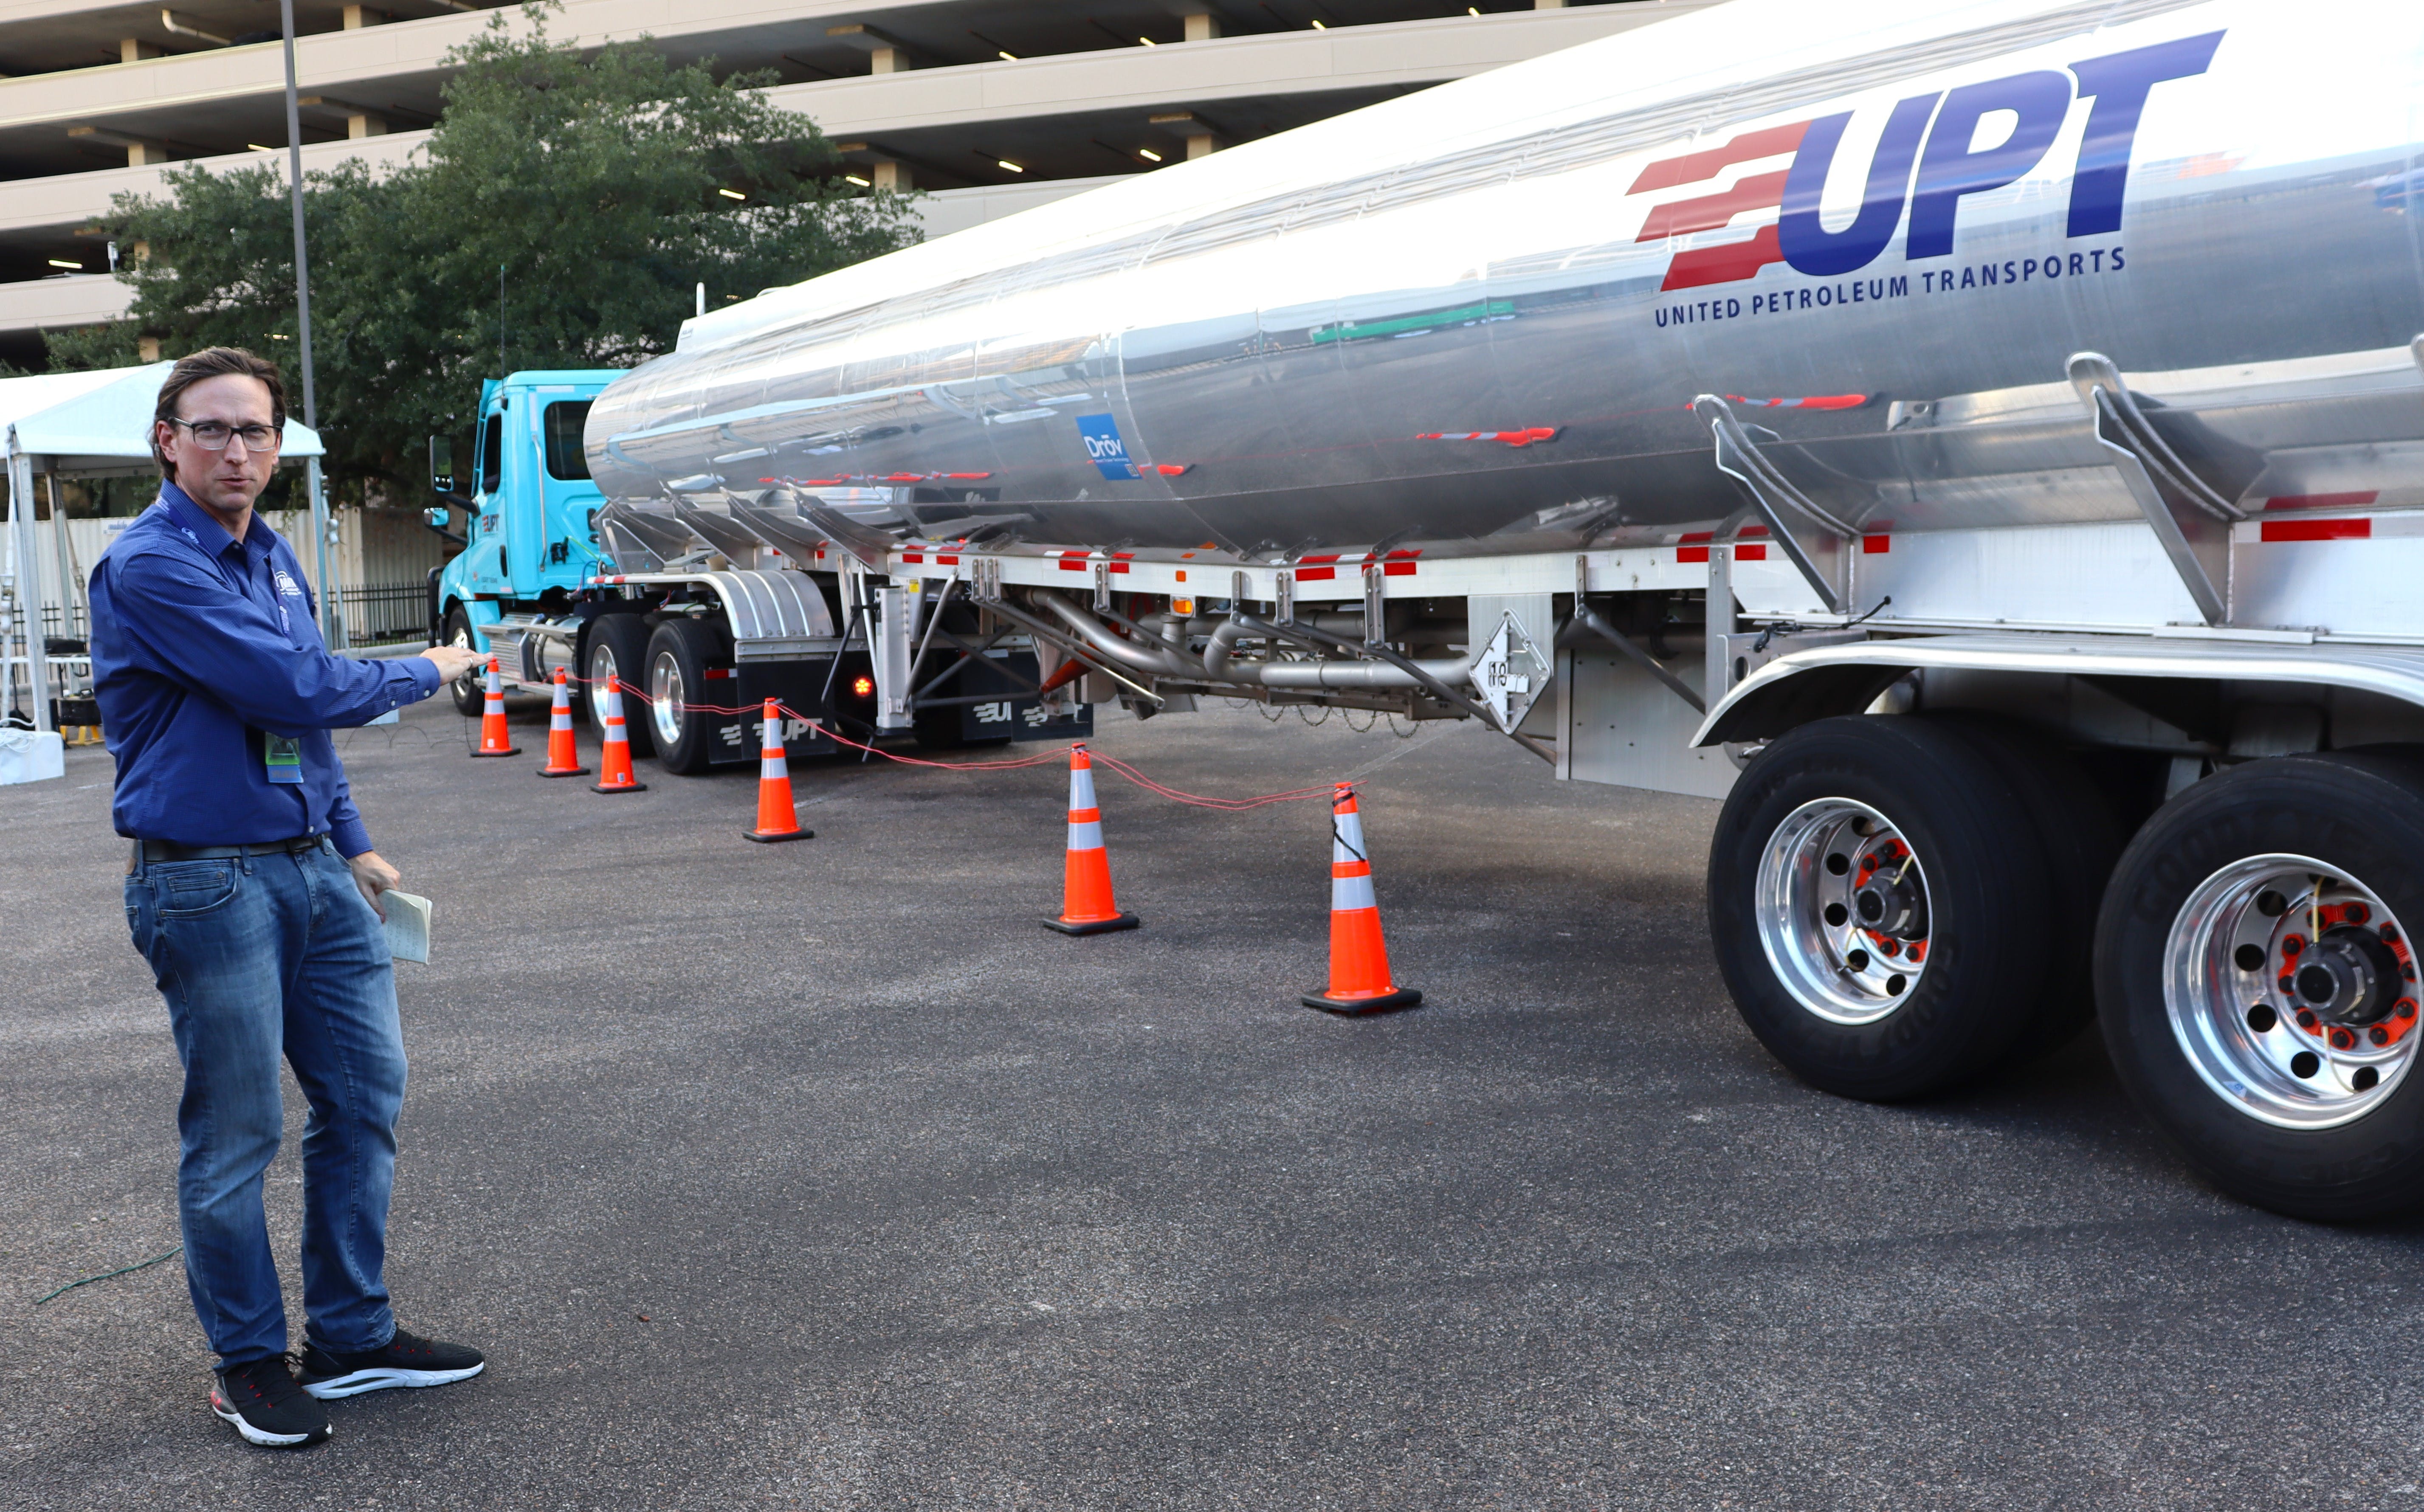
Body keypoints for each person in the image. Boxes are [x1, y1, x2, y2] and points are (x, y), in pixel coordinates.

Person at [88, 348, 489, 1449]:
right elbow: (300, 686)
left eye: (256, 430)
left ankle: (353, 1336)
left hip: (310, 864)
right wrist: (428, 666)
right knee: (237, 1131)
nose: (239, 451)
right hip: (205, 875)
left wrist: (352, 842)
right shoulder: (152, 566)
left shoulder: (271, 557)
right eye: (213, 430)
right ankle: (251, 1362)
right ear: (167, 440)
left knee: (364, 1097)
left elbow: (296, 729)